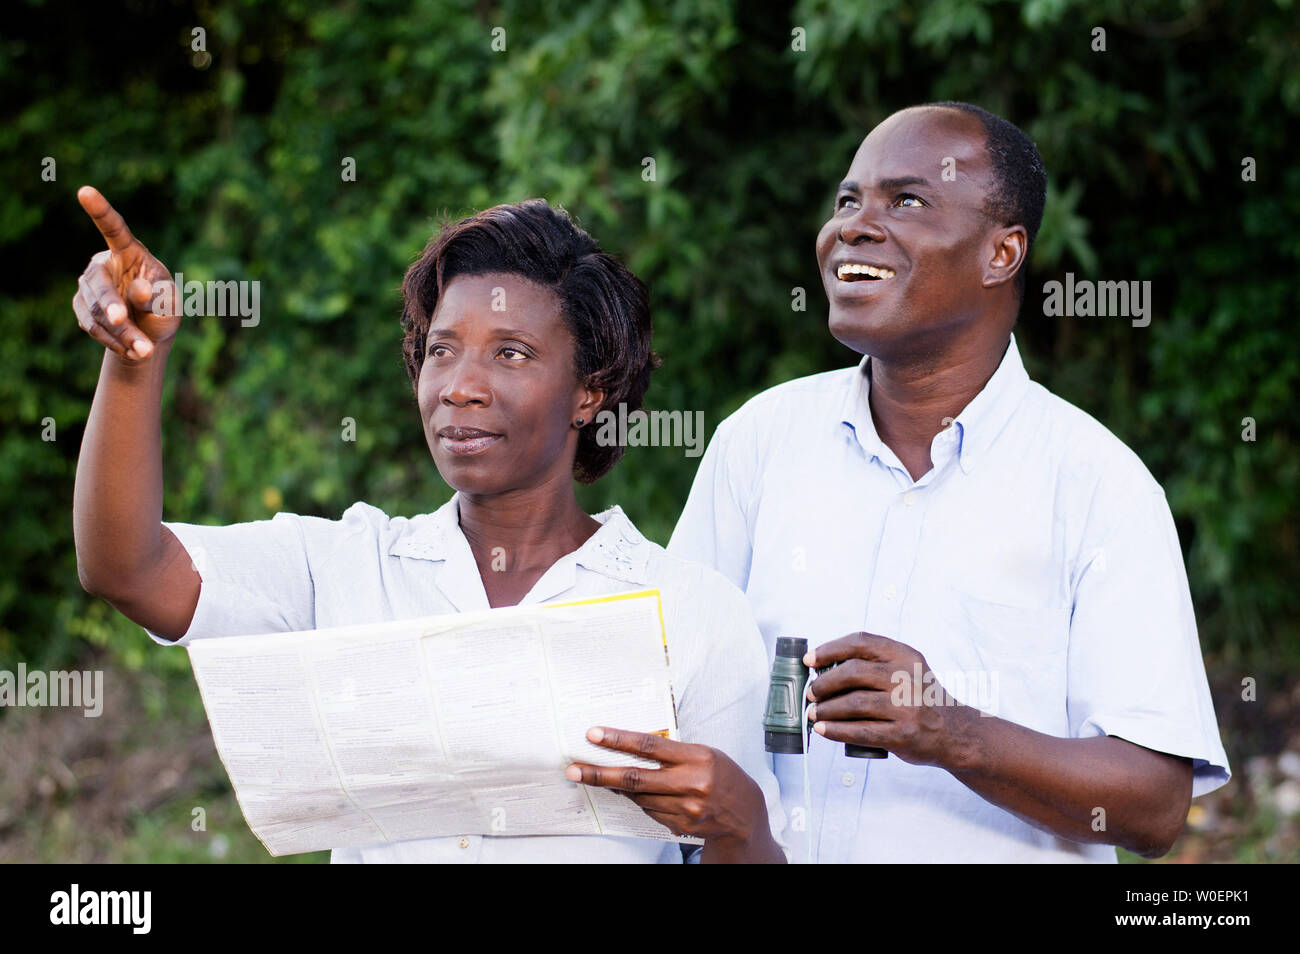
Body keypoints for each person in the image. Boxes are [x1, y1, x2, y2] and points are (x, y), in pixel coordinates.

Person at [71, 187, 786, 863]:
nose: (459, 385)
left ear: (589, 393)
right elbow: (125, 569)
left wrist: (738, 820)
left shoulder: (689, 612)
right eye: (442, 349)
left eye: (512, 353)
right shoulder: (347, 570)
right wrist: (137, 359)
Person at [667, 102, 1231, 863]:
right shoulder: (757, 445)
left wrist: (951, 732)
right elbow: (669, 703)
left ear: (1002, 253)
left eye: (906, 201)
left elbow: (1154, 805)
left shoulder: (1100, 488)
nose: (854, 228)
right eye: (847, 201)